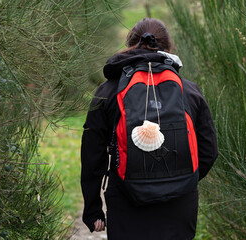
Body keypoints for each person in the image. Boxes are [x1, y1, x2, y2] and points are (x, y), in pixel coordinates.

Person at [81, 18, 218, 240]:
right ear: (169, 47)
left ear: (129, 44)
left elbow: (92, 155)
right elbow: (209, 151)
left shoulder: (107, 92)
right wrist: (182, 180)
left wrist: (93, 209)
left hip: (126, 200)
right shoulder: (190, 92)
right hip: (180, 205)